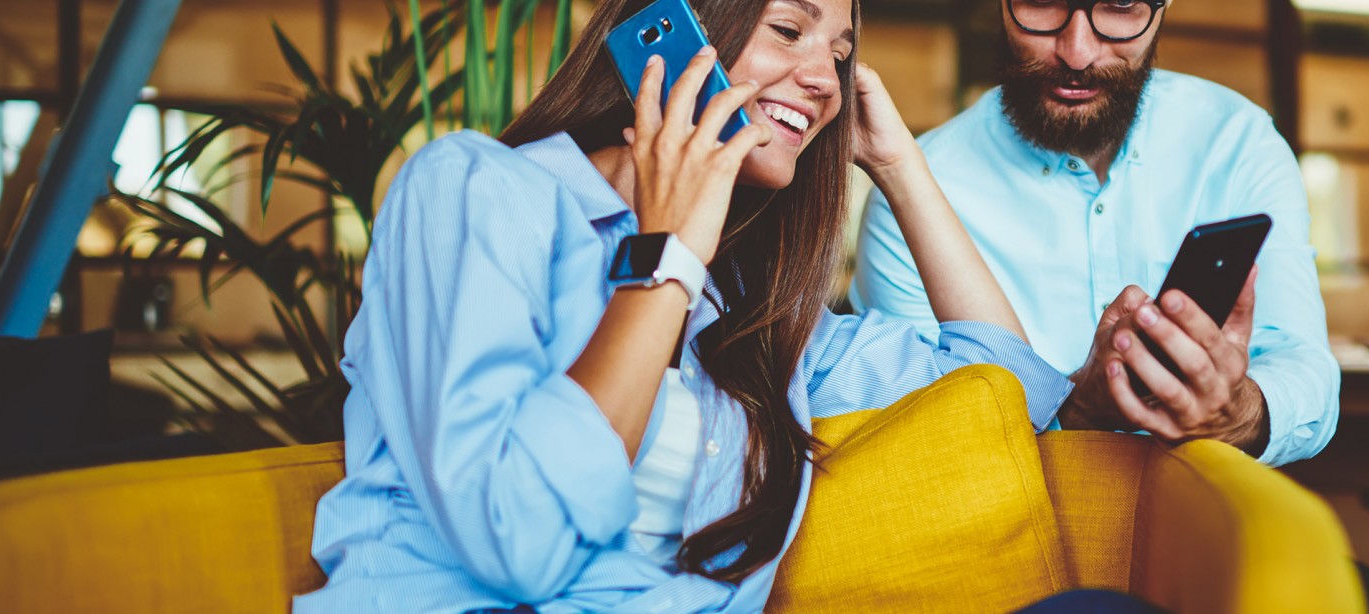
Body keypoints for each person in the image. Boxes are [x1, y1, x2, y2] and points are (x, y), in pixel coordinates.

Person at [293, 0, 1077, 611]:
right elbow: (517, 540)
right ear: (669, 35)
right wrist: (665, 253)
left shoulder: (752, 314)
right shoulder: (475, 193)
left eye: (840, 56)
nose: (825, 80)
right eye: (788, 30)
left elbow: (1005, 387)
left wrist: (899, 164)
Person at [852, 0, 1339, 466]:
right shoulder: (913, 197)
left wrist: (1238, 413)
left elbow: (1306, 369)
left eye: (1121, 4)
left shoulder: (1238, 143)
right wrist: (1075, 406)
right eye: (1042, 1)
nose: (1077, 52)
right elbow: (927, 440)